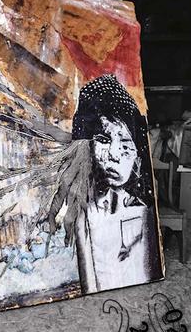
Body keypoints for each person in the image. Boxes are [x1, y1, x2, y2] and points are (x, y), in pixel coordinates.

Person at [70, 74, 163, 293]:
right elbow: (89, 282)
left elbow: (148, 271)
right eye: (103, 140)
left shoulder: (143, 209)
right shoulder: (86, 212)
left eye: (126, 144)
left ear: (137, 154)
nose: (114, 155)